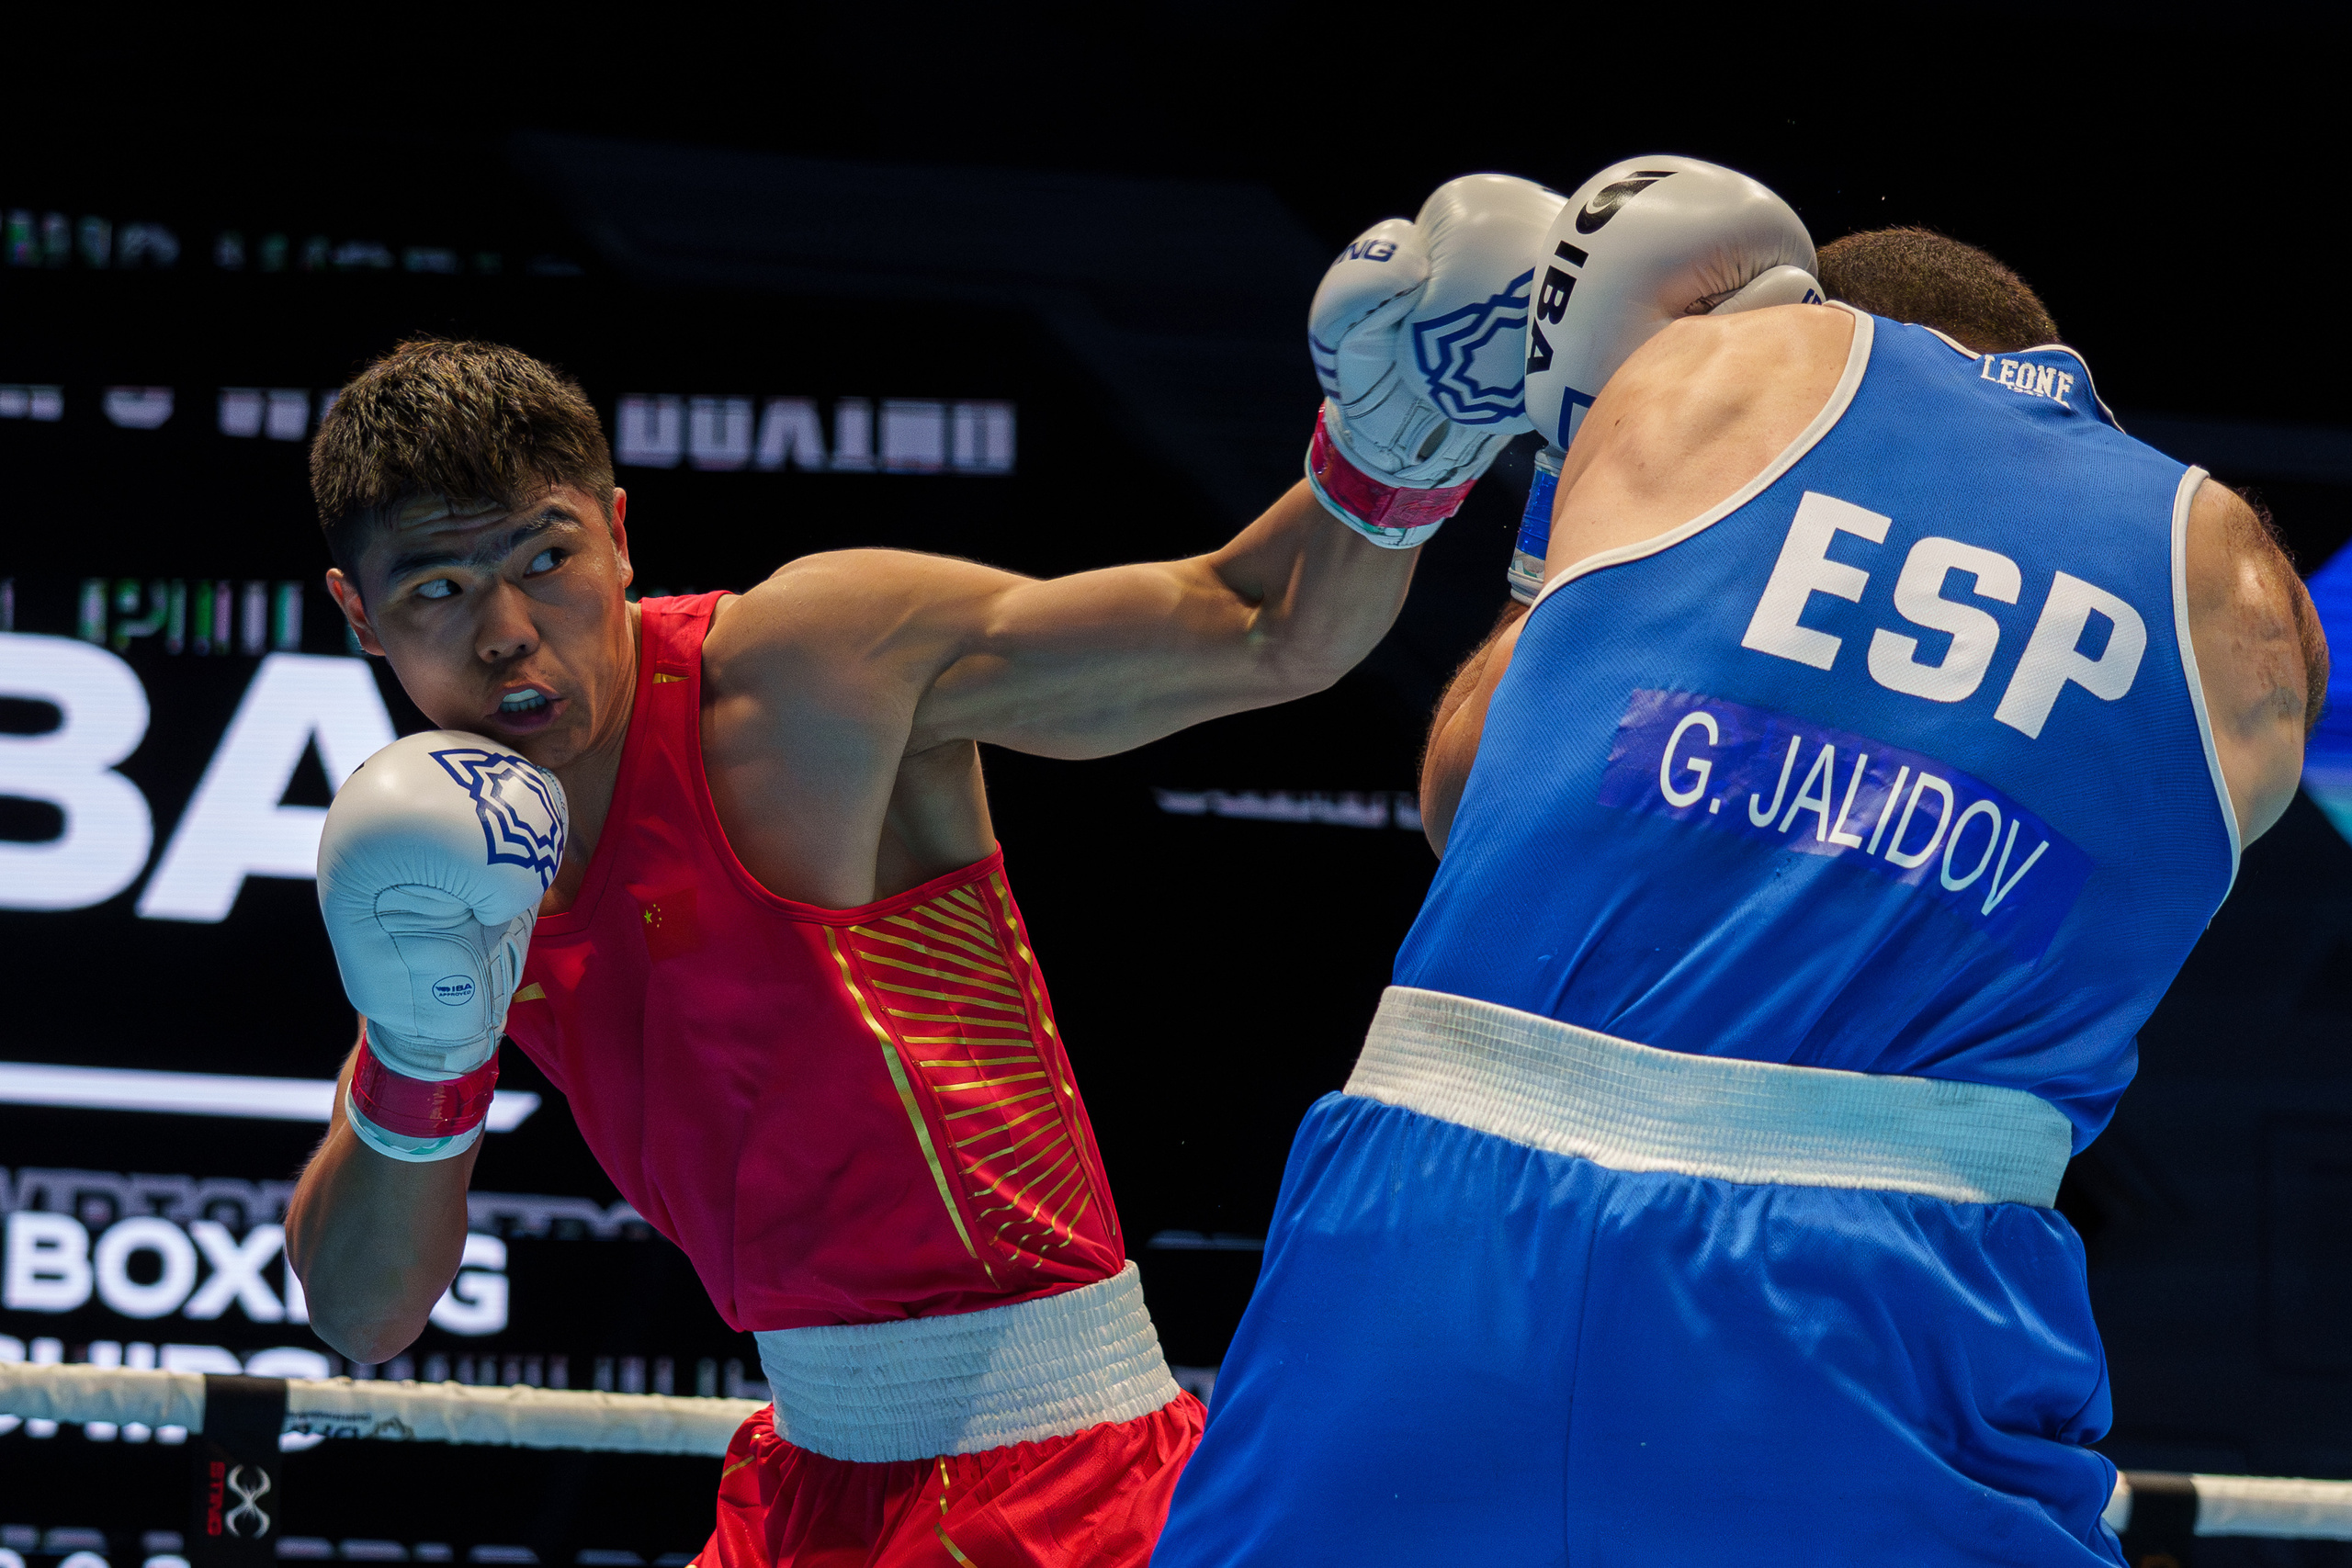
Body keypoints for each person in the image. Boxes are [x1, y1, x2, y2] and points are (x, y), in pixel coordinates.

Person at [281, 169, 1583, 1567]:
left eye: (545, 558)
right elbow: (365, 1315)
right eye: (439, 590)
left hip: (1055, 1481)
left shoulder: (808, 667)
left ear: (617, 530)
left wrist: (1393, 439)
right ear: (359, 612)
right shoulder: (450, 858)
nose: (509, 634)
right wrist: (424, 1051)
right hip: (801, 1486)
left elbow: (1261, 625)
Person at [1152, 169, 2330, 1563]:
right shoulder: (2245, 605)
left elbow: (1467, 795)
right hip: (1886, 1294)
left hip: (1441, 1227)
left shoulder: (1719, 379)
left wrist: (1558, 523)